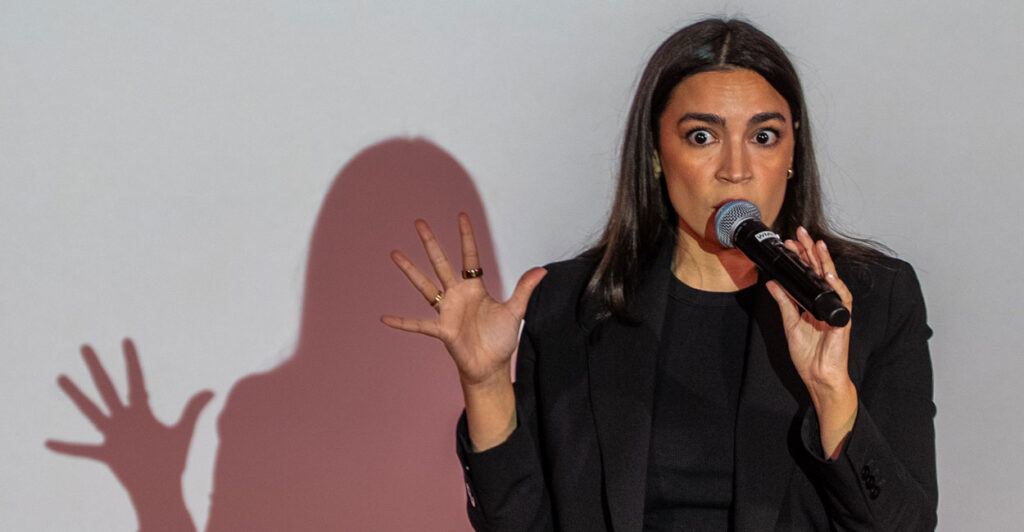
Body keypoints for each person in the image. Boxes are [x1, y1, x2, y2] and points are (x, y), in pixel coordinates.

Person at [382, 18, 936, 531]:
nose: (736, 170)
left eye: (763, 136)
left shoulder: (866, 299)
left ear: (793, 151)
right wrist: (484, 386)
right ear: (655, 153)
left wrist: (831, 392)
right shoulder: (572, 303)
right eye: (702, 136)